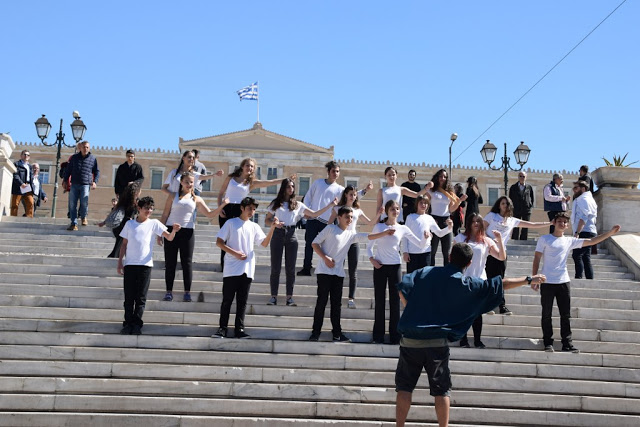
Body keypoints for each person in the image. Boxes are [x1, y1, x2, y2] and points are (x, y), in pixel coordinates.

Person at [395, 242, 546, 427]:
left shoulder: (426, 271)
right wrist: (528, 279)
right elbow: (498, 284)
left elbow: (402, 286)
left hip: (411, 339)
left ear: (449, 256)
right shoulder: (466, 283)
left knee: (404, 387)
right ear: (469, 263)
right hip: (436, 342)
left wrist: (410, 309)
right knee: (441, 390)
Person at [532, 213, 620, 353]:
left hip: (563, 281)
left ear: (567, 225)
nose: (562, 224)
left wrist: (609, 233)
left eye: (564, 222)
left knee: (565, 314)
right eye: (559, 221)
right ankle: (548, 342)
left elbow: (591, 241)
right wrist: (534, 278)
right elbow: (537, 258)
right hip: (546, 281)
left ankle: (567, 343)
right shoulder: (544, 239)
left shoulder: (569, 241)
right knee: (546, 313)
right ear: (554, 223)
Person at [309, 206, 395, 342]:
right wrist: (325, 258)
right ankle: (315, 333)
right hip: (324, 272)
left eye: (351, 217)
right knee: (321, 303)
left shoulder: (351, 235)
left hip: (338, 274)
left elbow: (368, 236)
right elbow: (314, 243)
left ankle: (337, 333)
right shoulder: (330, 228)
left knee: (336, 305)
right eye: (347, 217)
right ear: (339, 218)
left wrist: (385, 233)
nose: (350, 219)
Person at [214, 197, 279, 339]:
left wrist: (272, 228)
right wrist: (234, 253)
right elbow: (219, 242)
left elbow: (264, 243)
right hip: (231, 268)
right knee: (227, 300)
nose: (252, 211)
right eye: (249, 208)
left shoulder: (254, 226)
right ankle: (222, 328)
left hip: (247, 269)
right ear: (242, 208)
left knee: (242, 302)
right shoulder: (231, 223)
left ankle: (239, 329)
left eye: (254, 209)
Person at [265, 178, 338, 307]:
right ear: (283, 188)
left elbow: (314, 214)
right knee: (275, 267)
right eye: (288, 186)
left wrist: (330, 206)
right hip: (277, 234)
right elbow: (267, 220)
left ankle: (289, 297)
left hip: (291, 235)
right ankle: (273, 297)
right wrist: (274, 224)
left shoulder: (297, 204)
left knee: (290, 268)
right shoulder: (275, 203)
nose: (291, 189)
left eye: (292, 186)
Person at [368, 200, 430, 345]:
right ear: (387, 211)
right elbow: (369, 244)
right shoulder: (379, 226)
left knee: (395, 302)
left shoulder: (403, 228)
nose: (395, 211)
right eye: (392, 209)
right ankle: (378, 336)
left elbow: (419, 244)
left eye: (397, 209)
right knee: (379, 301)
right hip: (380, 266)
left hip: (395, 266)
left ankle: (395, 336)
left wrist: (426, 238)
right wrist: (372, 260)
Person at [159, 172, 228, 302]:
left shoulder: (196, 199)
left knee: (187, 262)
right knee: (170, 262)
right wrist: (161, 233)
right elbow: (164, 215)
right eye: (187, 182)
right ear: (181, 182)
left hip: (188, 232)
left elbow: (209, 214)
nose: (189, 184)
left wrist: (223, 205)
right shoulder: (173, 196)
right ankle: (169, 291)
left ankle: (187, 292)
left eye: (191, 182)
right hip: (171, 230)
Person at [117, 196, 180, 335]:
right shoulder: (130, 224)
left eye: (151, 208)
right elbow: (124, 245)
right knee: (129, 297)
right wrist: (120, 262)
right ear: (139, 208)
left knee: (141, 297)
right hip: (130, 264)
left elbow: (169, 237)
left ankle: (137, 324)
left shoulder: (154, 223)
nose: (149, 211)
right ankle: (127, 323)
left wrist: (174, 230)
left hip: (145, 265)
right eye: (146, 208)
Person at [297, 161, 372, 276]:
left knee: (327, 247)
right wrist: (306, 212)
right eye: (333, 171)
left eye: (337, 171)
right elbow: (308, 197)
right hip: (313, 219)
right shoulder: (318, 183)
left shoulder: (340, 189)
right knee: (309, 244)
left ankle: (330, 268)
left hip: (327, 223)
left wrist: (365, 191)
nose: (335, 174)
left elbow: (353, 196)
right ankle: (306, 268)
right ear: (328, 172)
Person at [218, 157, 294, 269]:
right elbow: (220, 193)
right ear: (243, 166)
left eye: (252, 166)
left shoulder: (251, 183)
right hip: (226, 208)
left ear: (254, 169)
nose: (249, 168)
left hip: (240, 209)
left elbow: (269, 182)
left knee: (235, 237)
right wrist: (220, 208)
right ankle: (224, 265)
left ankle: (235, 263)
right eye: (248, 165)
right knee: (225, 238)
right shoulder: (231, 178)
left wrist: (286, 179)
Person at [484, 196, 549, 315]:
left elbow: (532, 224)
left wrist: (549, 223)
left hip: (502, 253)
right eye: (503, 203)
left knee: (500, 279)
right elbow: (481, 231)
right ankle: (488, 305)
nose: (505, 206)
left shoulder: (512, 220)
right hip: (488, 252)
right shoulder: (491, 216)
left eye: (507, 204)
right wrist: (489, 241)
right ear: (499, 205)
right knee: (489, 277)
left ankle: (501, 305)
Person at [454, 213, 506, 348]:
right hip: (463, 280)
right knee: (463, 312)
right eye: (473, 221)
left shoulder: (486, 241)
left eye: (478, 221)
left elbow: (501, 257)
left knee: (477, 312)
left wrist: (499, 240)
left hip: (480, 281)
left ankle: (477, 340)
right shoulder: (460, 238)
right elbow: (452, 259)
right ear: (468, 223)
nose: (476, 223)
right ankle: (463, 339)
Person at [327, 185, 375, 309]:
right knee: (338, 269)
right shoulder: (337, 209)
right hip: (340, 242)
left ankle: (351, 298)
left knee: (353, 272)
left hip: (353, 241)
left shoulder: (358, 210)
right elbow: (329, 224)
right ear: (345, 195)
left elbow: (369, 222)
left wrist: (379, 214)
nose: (352, 197)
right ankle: (335, 297)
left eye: (354, 195)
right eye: (350, 194)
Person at [425, 169, 467, 266]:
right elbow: (425, 204)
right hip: (434, 220)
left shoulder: (450, 192)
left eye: (444, 177)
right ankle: (431, 274)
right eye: (440, 176)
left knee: (447, 252)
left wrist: (460, 200)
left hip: (446, 221)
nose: (442, 179)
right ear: (437, 177)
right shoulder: (432, 190)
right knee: (432, 251)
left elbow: (451, 209)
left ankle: (446, 275)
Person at [402, 195, 453, 274]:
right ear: (417, 204)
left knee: (424, 278)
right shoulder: (410, 217)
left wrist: (449, 227)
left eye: (425, 203)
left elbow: (439, 233)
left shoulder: (429, 218)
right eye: (421, 203)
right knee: (412, 278)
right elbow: (405, 235)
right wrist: (405, 252)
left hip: (426, 253)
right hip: (412, 253)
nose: (423, 205)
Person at [64, 140, 100, 231]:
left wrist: (95, 181)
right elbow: (68, 170)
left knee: (84, 202)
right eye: (84, 147)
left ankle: (83, 217)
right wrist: (65, 180)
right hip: (74, 184)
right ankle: (74, 223)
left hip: (85, 184)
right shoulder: (74, 158)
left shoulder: (92, 158)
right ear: (81, 148)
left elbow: (96, 171)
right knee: (72, 204)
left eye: (87, 147)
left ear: (89, 148)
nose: (85, 149)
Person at [100, 182, 141, 258]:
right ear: (136, 192)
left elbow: (114, 210)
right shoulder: (134, 202)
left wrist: (104, 222)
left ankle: (118, 258)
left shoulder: (123, 199)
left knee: (120, 244)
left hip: (119, 225)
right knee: (120, 244)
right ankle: (113, 258)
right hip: (125, 225)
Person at [570, 181, 598, 279]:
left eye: (576, 188)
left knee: (577, 255)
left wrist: (577, 232)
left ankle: (579, 278)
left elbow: (584, 217)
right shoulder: (589, 199)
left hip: (584, 231)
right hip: (589, 231)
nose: (574, 190)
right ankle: (589, 278)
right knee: (586, 257)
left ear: (583, 189)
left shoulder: (583, 199)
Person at [508, 171, 535, 240]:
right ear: (518, 177)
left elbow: (531, 197)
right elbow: (510, 198)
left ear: (526, 177)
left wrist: (530, 205)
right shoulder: (513, 187)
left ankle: (523, 239)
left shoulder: (529, 187)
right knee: (515, 224)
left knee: (526, 224)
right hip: (516, 208)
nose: (522, 178)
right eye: (520, 176)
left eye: (523, 176)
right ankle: (514, 238)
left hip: (526, 209)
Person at [10, 150, 34, 217]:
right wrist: (21, 183)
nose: (26, 156)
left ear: (29, 157)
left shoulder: (30, 166)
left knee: (30, 202)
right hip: (18, 186)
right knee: (15, 204)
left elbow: (31, 177)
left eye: (28, 155)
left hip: (27, 186)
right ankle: (13, 218)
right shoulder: (17, 164)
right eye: (25, 154)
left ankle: (29, 218)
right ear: (21, 156)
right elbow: (15, 175)